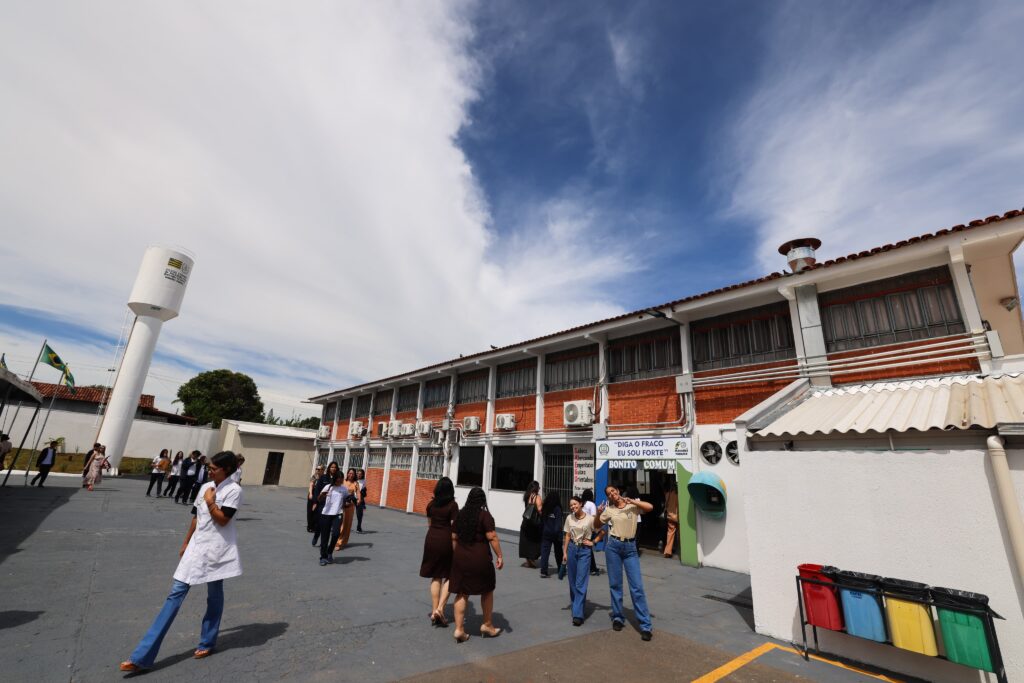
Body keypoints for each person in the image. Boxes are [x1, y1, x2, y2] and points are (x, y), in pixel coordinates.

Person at [119, 451, 243, 672]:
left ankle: (207, 642)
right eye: (210, 468)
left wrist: (211, 504)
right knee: (174, 595)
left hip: (216, 552)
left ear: (227, 470)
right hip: (196, 548)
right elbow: (196, 516)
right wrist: (186, 542)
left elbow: (223, 520)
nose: (210, 470)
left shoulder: (234, 490)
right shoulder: (205, 487)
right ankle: (141, 656)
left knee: (214, 597)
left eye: (214, 468)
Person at [594, 485, 654, 641]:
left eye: (613, 491)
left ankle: (645, 625)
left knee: (637, 587)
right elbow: (596, 526)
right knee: (615, 584)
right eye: (609, 494)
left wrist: (632, 501)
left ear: (618, 491)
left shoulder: (632, 506)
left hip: (630, 548)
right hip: (613, 547)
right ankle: (618, 617)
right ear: (608, 497)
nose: (612, 494)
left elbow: (650, 507)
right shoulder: (609, 510)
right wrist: (598, 513)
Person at [448, 487, 503, 643]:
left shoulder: (461, 514)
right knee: (487, 590)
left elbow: (453, 537)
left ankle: (459, 629)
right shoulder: (485, 516)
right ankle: (487, 624)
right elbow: (492, 537)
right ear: (482, 501)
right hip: (480, 559)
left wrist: (456, 554)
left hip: (461, 558)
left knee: (462, 593)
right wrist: (500, 555)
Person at [420, 477, 458, 626]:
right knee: (450, 574)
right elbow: (455, 528)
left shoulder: (431, 505)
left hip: (431, 539)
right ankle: (440, 609)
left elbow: (429, 524)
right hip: (446, 540)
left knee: (436, 576)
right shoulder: (453, 505)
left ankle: (435, 609)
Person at [563, 495, 602, 626]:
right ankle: (576, 607)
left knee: (581, 582)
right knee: (572, 581)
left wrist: (593, 542)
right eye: (571, 505)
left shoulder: (590, 519)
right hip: (572, 549)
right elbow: (567, 535)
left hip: (585, 550)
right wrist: (564, 552)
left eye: (575, 504)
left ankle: (578, 614)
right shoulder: (569, 518)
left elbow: (602, 532)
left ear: (580, 504)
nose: (573, 507)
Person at [316, 470, 346, 565]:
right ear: (334, 479)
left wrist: (349, 503)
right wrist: (322, 495)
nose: (339, 482)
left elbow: (346, 501)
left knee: (336, 534)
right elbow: (319, 499)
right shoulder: (328, 487)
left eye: (341, 480)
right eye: (338, 480)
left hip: (338, 514)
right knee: (325, 536)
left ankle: (329, 551)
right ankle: (323, 557)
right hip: (326, 514)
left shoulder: (344, 489)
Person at [311, 462, 338, 546]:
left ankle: (324, 542)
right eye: (332, 467)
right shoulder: (323, 477)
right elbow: (317, 490)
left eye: (335, 467)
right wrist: (315, 502)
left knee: (328, 524)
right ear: (329, 468)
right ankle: (316, 536)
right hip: (322, 503)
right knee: (320, 522)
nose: (333, 469)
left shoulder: (338, 479)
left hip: (332, 505)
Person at [333, 468, 360, 552]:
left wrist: (358, 500)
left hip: (350, 506)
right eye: (349, 473)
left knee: (347, 524)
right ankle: (337, 541)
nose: (351, 475)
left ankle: (343, 541)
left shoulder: (356, 483)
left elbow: (358, 494)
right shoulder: (342, 481)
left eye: (352, 474)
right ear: (347, 474)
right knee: (341, 524)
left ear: (354, 475)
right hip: (341, 505)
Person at [538, 491, 563, 578]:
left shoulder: (545, 507)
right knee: (558, 552)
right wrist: (558, 534)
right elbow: (558, 523)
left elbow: (542, 520)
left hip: (546, 532)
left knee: (545, 552)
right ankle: (561, 569)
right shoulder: (557, 508)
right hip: (555, 534)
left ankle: (543, 571)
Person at [518, 481, 542, 568]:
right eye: (538, 487)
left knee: (526, 541)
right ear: (536, 488)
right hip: (534, 523)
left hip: (526, 522)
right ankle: (532, 559)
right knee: (535, 540)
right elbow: (539, 509)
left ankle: (529, 561)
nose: (539, 489)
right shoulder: (537, 496)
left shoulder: (527, 495)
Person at [581, 489, 600, 576]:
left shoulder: (582, 503)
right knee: (588, 548)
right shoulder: (591, 504)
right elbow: (593, 517)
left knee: (583, 547)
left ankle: (589, 567)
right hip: (589, 529)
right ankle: (592, 568)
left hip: (580, 528)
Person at [663, 478, 678, 559]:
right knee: (679, 534)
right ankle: (681, 550)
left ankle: (668, 551)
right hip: (678, 516)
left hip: (670, 516)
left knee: (670, 533)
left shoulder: (667, 494)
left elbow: (666, 505)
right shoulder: (679, 495)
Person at [307, 465, 324, 532]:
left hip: (320, 494)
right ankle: (310, 526)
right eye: (317, 469)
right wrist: (311, 494)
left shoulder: (323, 477)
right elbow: (311, 485)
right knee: (310, 511)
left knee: (317, 511)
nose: (317, 470)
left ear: (323, 470)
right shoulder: (314, 476)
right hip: (313, 493)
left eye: (319, 469)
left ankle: (315, 525)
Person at [355, 468, 367, 533]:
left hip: (360, 498)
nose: (359, 475)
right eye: (358, 474)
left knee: (359, 514)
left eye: (360, 474)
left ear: (362, 475)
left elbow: (364, 490)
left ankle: (359, 527)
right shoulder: (354, 480)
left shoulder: (364, 481)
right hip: (352, 497)